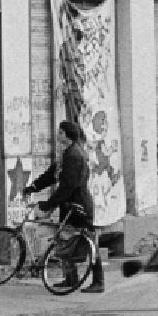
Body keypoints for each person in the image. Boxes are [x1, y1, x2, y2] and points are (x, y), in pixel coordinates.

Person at [25, 120, 104, 292]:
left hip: (79, 205)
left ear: (67, 135)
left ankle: (99, 282)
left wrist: (49, 203)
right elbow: (52, 175)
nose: (58, 135)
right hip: (69, 205)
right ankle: (70, 278)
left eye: (60, 132)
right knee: (64, 240)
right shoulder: (67, 153)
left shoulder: (75, 155)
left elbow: (68, 186)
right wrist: (34, 187)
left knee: (88, 240)